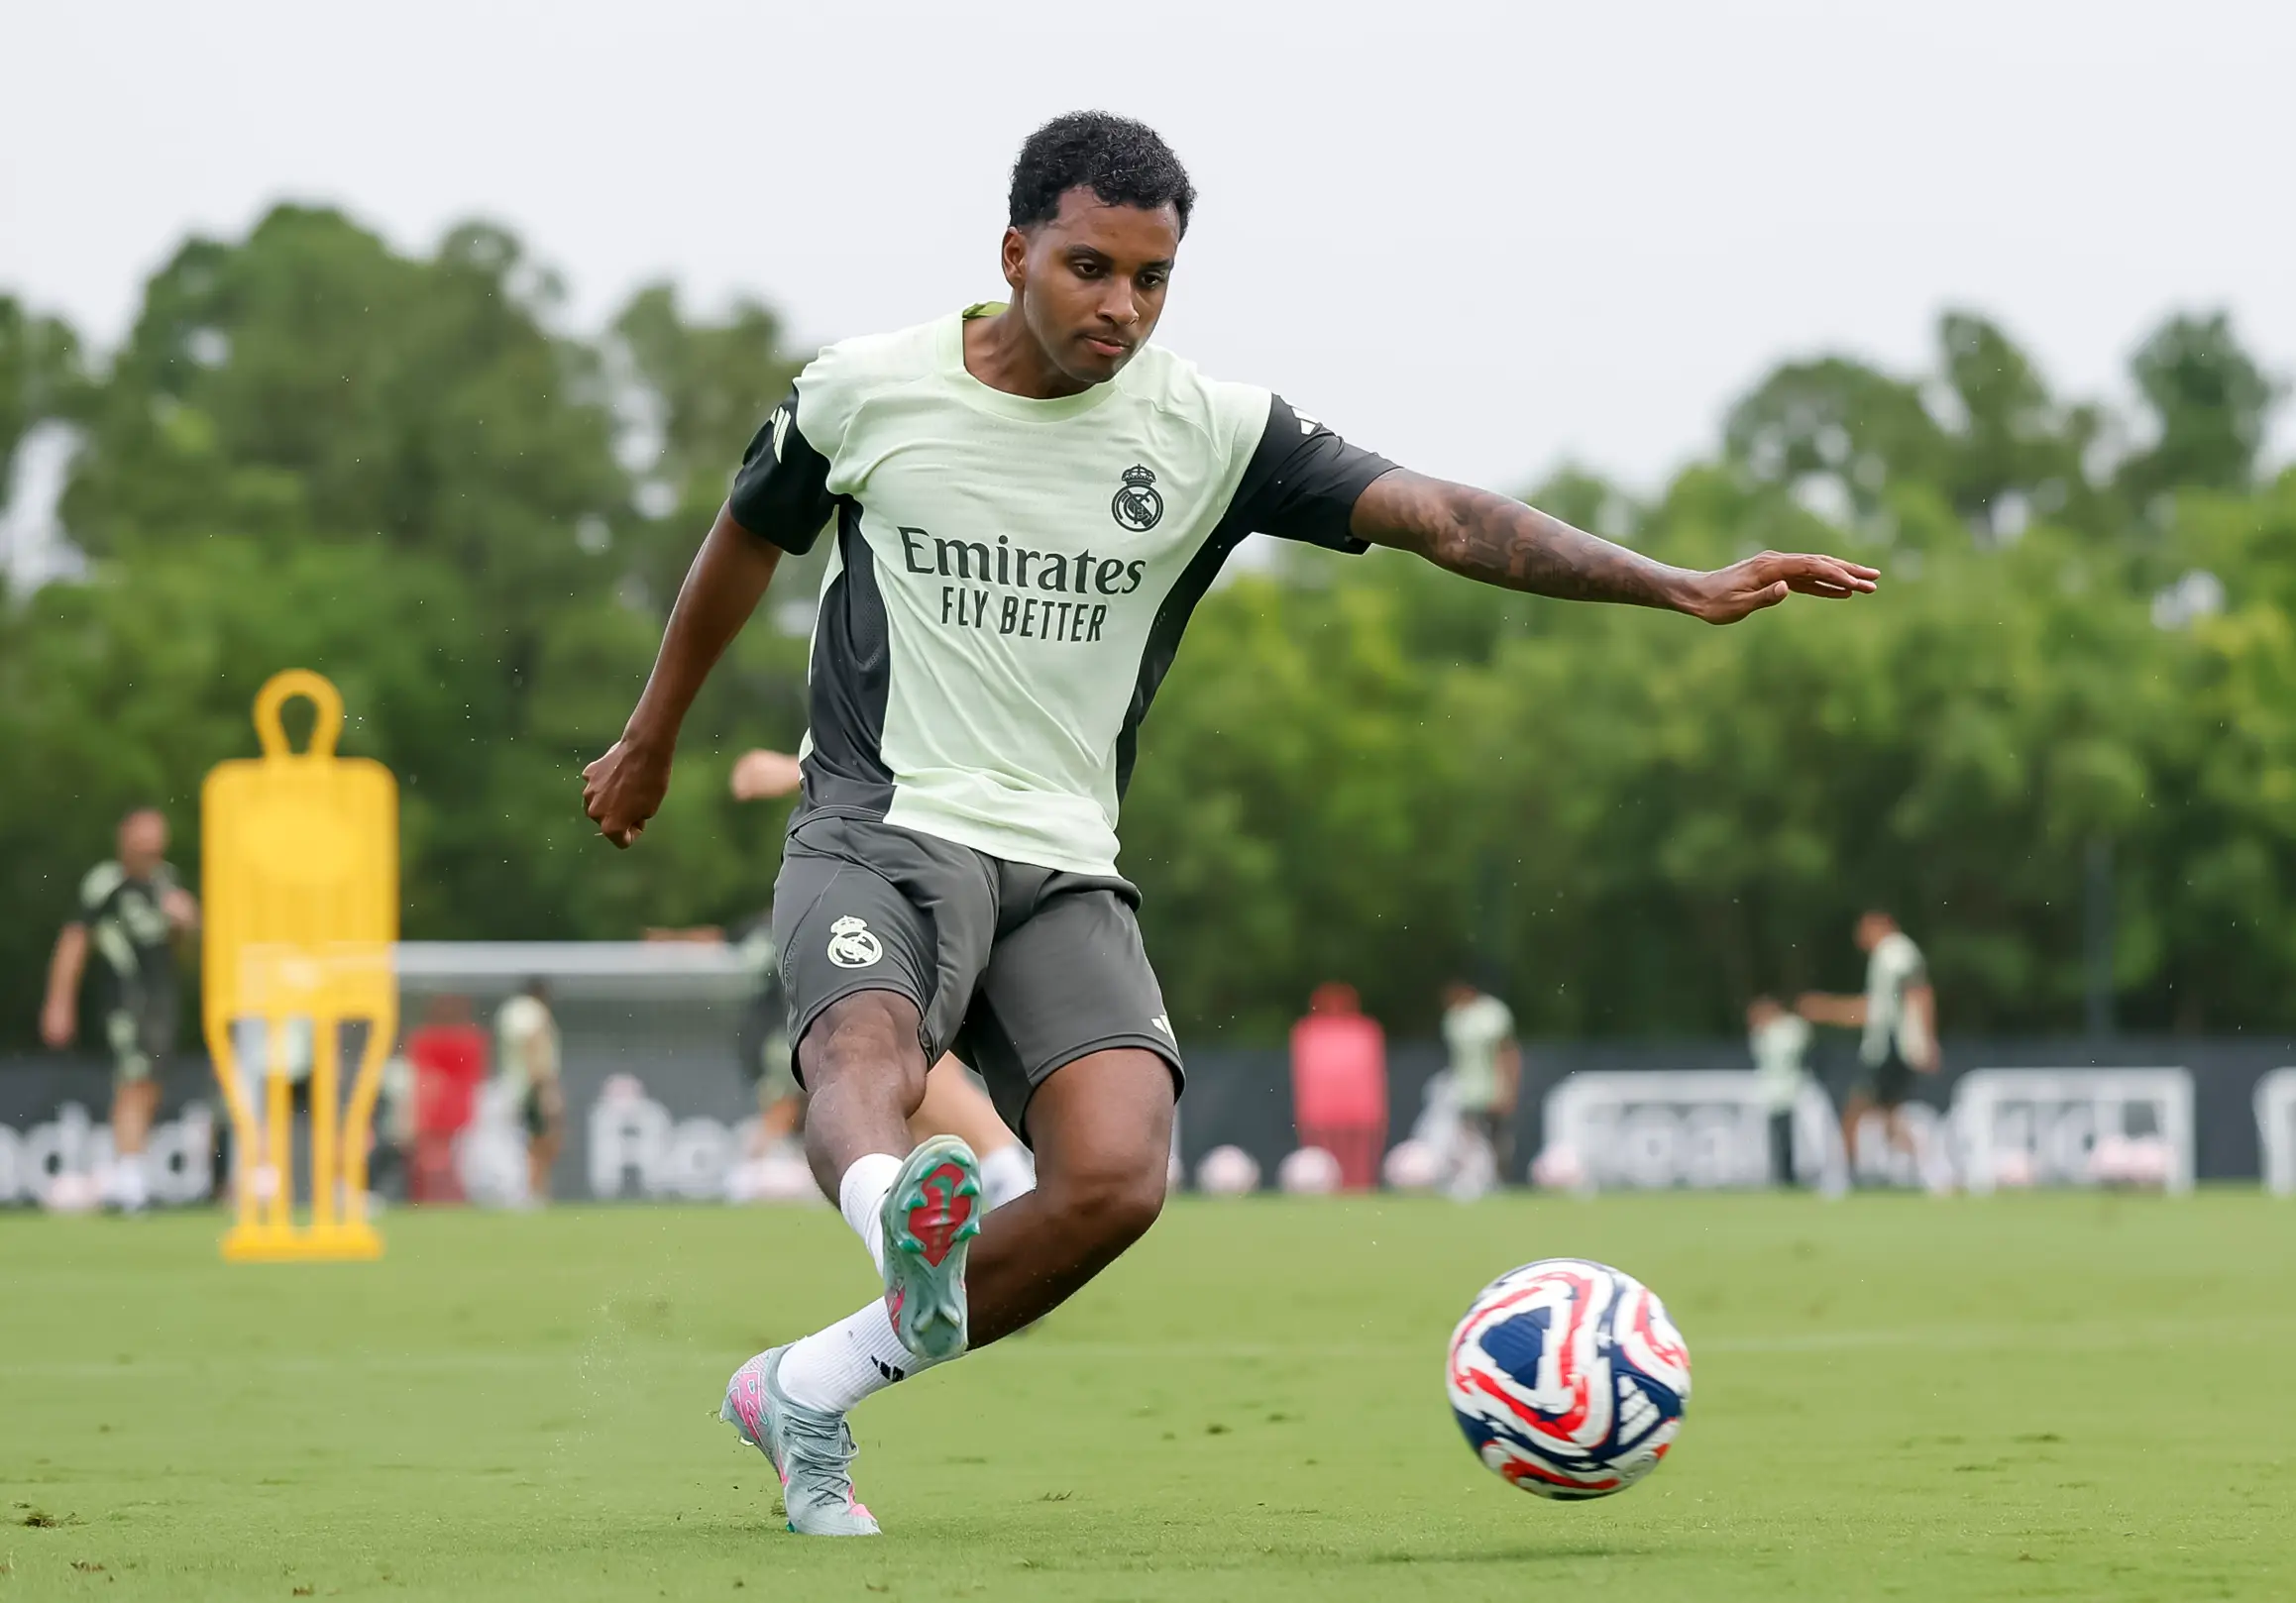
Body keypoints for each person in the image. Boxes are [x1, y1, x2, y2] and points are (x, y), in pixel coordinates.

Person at [580, 111, 1877, 1535]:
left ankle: (809, 1385)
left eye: (1150, 279)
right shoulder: (860, 393)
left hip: (1066, 860)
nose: (1118, 308)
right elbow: (741, 539)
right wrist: (653, 734)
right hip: (881, 824)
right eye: (1087, 267)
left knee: (1119, 1176)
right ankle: (896, 1209)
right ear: (1013, 253)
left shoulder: (1211, 433)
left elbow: (1440, 515)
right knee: (864, 1048)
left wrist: (1675, 583)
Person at [41, 806, 199, 1213]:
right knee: (133, 1082)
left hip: (161, 1005)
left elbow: (182, 953)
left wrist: (186, 926)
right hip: (124, 1004)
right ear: (125, 839)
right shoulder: (107, 884)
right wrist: (59, 1001)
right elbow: (75, 941)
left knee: (150, 1088)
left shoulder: (168, 884)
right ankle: (129, 1181)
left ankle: (128, 1172)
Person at [1799, 910, 1937, 1176]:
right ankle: (1936, 1173)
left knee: (1854, 1112)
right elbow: (1876, 1009)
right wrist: (1829, 1011)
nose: (1861, 938)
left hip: (1891, 1048)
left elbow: (1918, 993)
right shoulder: (1886, 958)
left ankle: (1840, 1178)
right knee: (1889, 1119)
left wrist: (1925, 1039)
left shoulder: (1896, 953)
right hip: (1891, 1046)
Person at [1287, 983, 1386, 1190]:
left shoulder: (1365, 1030)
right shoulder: (1308, 1031)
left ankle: (1361, 1191)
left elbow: (1373, 1071)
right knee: (1323, 1163)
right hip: (1322, 1109)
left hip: (1360, 1108)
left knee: (1359, 1163)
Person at [1440, 979, 1519, 1201]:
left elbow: (1507, 1052)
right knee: (1467, 1142)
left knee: (1497, 1140)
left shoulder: (1492, 1014)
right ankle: (1470, 1183)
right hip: (1466, 1092)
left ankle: (1498, 1184)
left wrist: (1508, 1088)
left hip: (1493, 1089)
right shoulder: (1453, 1018)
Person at [494, 979, 566, 1206]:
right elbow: (534, 1042)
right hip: (531, 1087)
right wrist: (546, 1088)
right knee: (539, 1140)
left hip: (511, 1085)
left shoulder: (509, 1011)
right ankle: (533, 1194)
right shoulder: (533, 1012)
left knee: (519, 1142)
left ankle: (527, 1194)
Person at [1746, 995, 1812, 1187]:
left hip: (1796, 1090)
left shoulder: (1788, 1029)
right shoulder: (1762, 1034)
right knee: (1778, 1139)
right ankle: (1782, 1177)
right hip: (1774, 1094)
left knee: (1800, 1137)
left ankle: (1798, 1176)